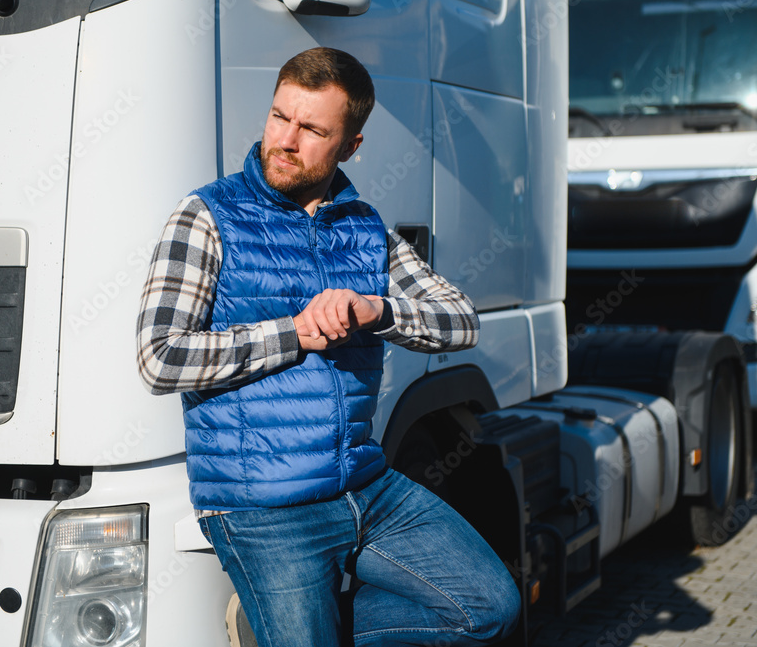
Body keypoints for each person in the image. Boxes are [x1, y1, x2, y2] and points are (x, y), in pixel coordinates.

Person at [136, 47, 519, 647]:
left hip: (365, 487)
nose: (286, 140)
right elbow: (160, 357)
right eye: (279, 117)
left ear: (350, 145)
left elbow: (461, 321)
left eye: (312, 130)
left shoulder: (365, 229)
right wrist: (291, 333)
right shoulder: (207, 215)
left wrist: (377, 310)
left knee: (490, 606)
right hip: (263, 506)